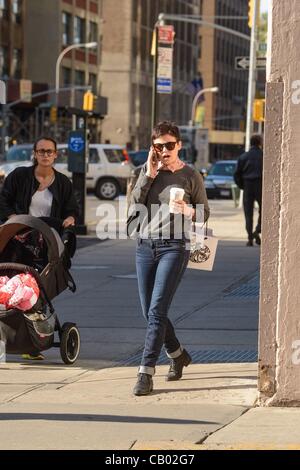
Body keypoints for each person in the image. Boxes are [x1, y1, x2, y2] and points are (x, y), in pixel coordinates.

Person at [127, 121, 210, 396]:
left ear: (179, 145)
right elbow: (134, 208)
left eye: (170, 145)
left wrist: (188, 210)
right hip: (145, 246)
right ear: (153, 148)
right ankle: (177, 354)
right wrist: (148, 175)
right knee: (148, 312)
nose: (165, 150)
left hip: (175, 247)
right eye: (159, 146)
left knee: (157, 310)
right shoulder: (146, 172)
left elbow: (205, 212)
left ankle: (145, 372)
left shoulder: (190, 174)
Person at [0, 136, 78, 359]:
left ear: (55, 155)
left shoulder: (63, 183)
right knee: (15, 286)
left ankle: (32, 341)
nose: (45, 155)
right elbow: (3, 200)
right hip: (18, 239)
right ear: (34, 154)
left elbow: (71, 208)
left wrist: (70, 219)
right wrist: (12, 217)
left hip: (46, 242)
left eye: (49, 151)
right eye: (41, 151)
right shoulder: (19, 176)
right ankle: (23, 338)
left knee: (39, 287)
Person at [234, 134, 263, 246]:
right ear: (259, 143)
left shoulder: (243, 157)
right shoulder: (264, 156)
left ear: (251, 143)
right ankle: (257, 231)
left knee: (248, 213)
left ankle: (250, 238)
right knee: (264, 211)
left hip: (247, 185)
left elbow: (236, 174)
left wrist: (242, 186)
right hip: (260, 185)